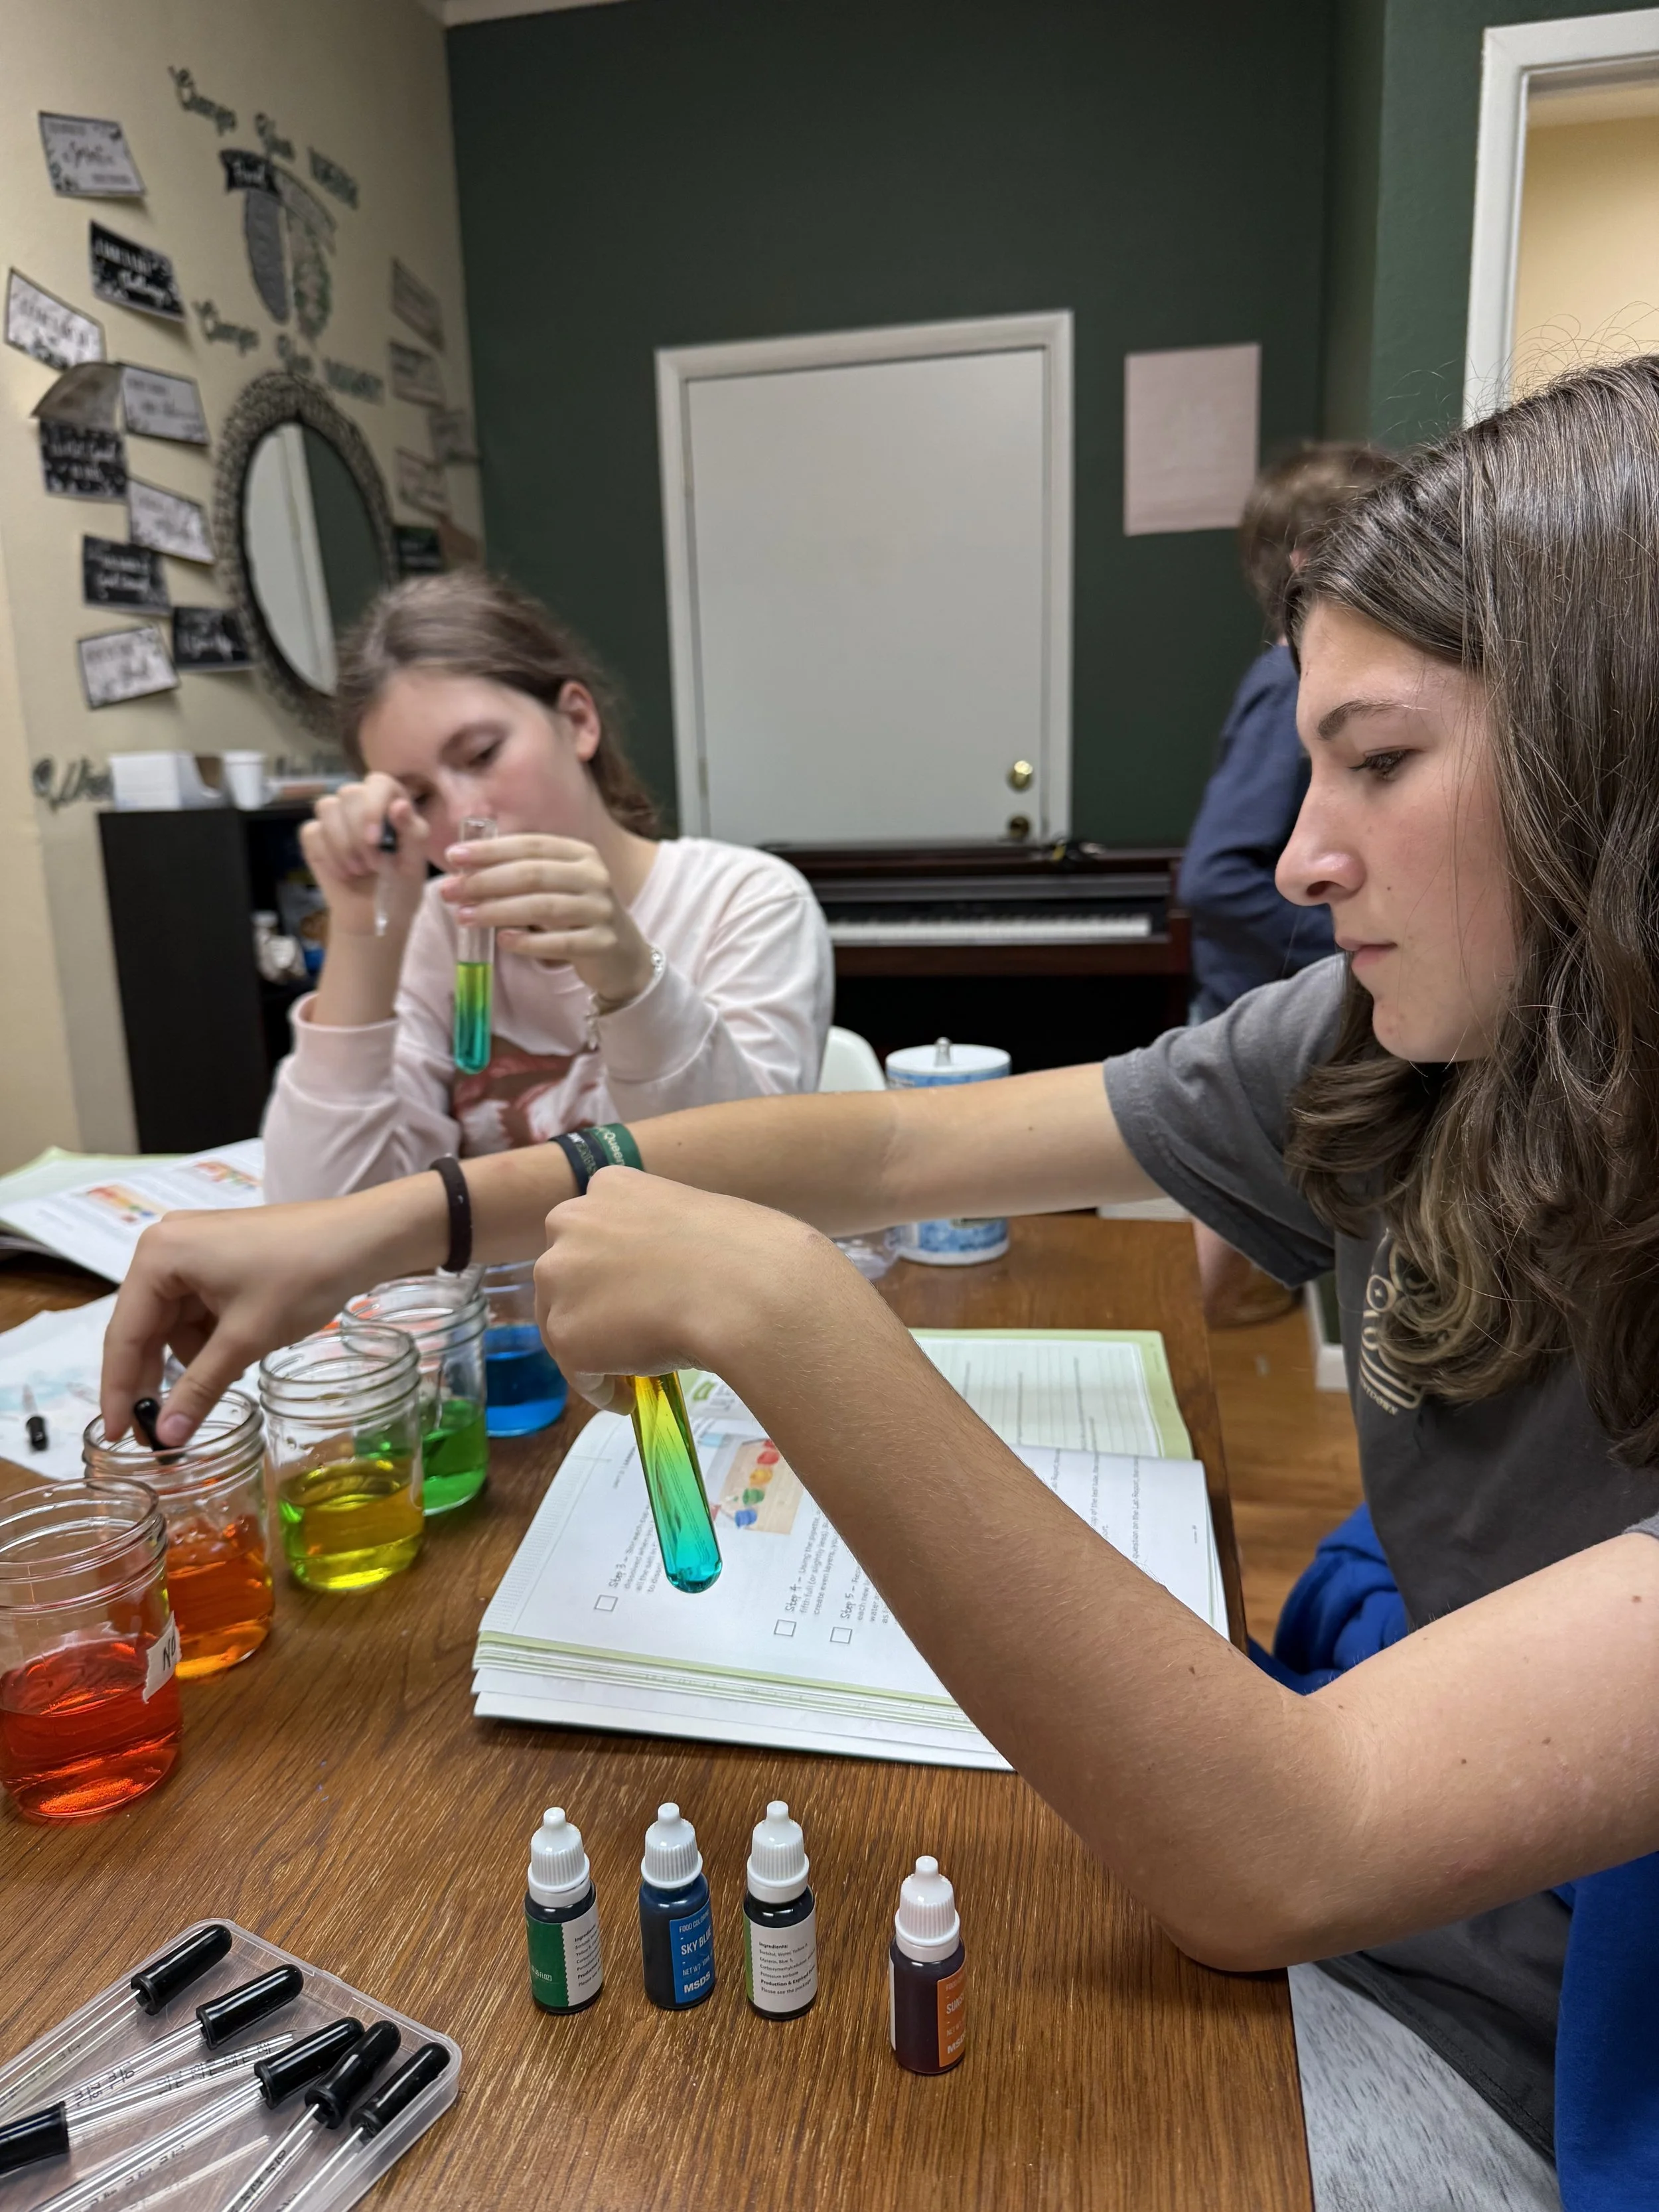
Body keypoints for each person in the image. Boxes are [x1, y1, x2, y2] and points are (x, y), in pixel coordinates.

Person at [104, 360, 1659, 2209]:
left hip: (1531, 2060)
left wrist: (784, 1317)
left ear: (1605, 760)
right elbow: (894, 1151)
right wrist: (377, 1227)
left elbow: (1277, 1856)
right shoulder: (1372, 1047)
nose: (1300, 854)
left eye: (1380, 760)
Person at [259, 571, 833, 1202]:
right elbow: (318, 1219)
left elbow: (753, 1191)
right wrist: (361, 937)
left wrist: (632, 981)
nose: (462, 816)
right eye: (418, 795)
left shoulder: (745, 902)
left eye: (481, 755)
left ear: (578, 721)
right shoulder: (433, 927)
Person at [1181, 442, 1395, 1327]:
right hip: (1253, 1009)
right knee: (1210, 1299)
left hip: (1253, 1002)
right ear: (1310, 562)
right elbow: (1218, 873)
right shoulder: (1289, 683)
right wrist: (1350, 950)